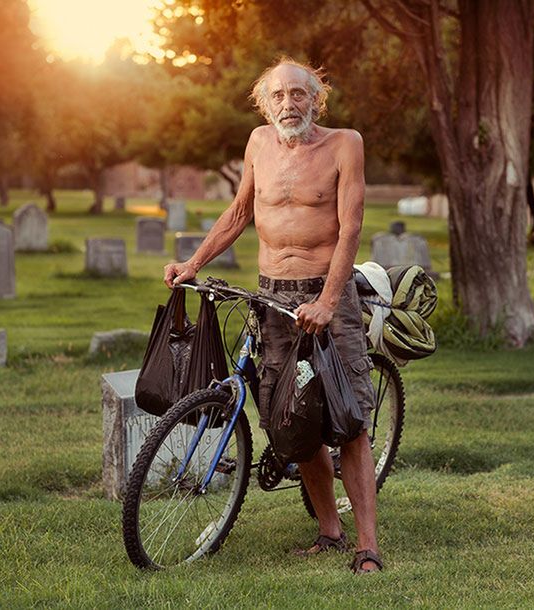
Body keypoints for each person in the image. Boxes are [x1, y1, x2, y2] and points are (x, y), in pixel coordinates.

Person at [162, 57, 382, 574]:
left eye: (299, 94)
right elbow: (240, 212)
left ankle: (367, 544)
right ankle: (330, 531)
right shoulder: (258, 143)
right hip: (272, 296)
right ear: (265, 103)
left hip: (327, 293)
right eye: (278, 95)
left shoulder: (345, 144)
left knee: (349, 422)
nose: (289, 103)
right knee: (292, 419)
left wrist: (329, 301)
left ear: (315, 99)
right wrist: (193, 263)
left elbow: (350, 227)